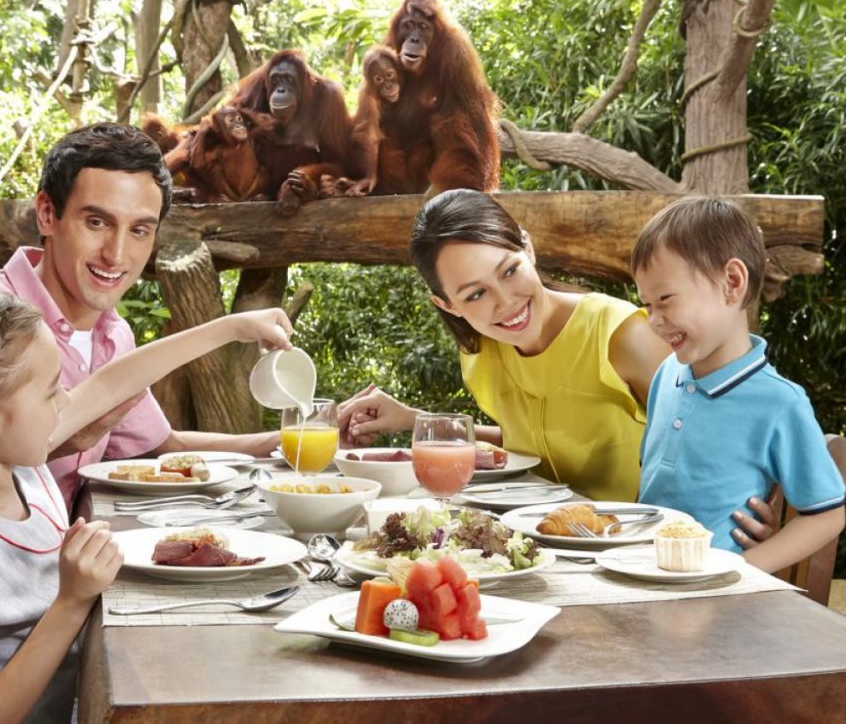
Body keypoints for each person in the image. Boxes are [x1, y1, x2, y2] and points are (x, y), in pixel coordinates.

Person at [0, 122, 282, 722]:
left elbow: (154, 440)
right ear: (46, 213)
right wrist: (45, 449)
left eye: (140, 230)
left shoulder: (107, 332)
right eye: (96, 221)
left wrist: (283, 443)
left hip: (50, 623)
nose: (118, 255)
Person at [339, 188, 670, 501]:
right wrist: (415, 420)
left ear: (528, 248)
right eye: (476, 294)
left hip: (634, 544)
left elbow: (699, 442)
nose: (506, 301)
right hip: (539, 541)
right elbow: (525, 449)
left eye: (510, 270)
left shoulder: (622, 335)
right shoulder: (483, 354)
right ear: (448, 306)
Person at [631, 197, 844, 571]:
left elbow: (827, 514)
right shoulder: (666, 374)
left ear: (732, 282)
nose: (654, 320)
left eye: (665, 299)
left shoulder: (780, 402)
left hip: (719, 602)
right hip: (643, 577)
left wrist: (744, 569)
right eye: (648, 304)